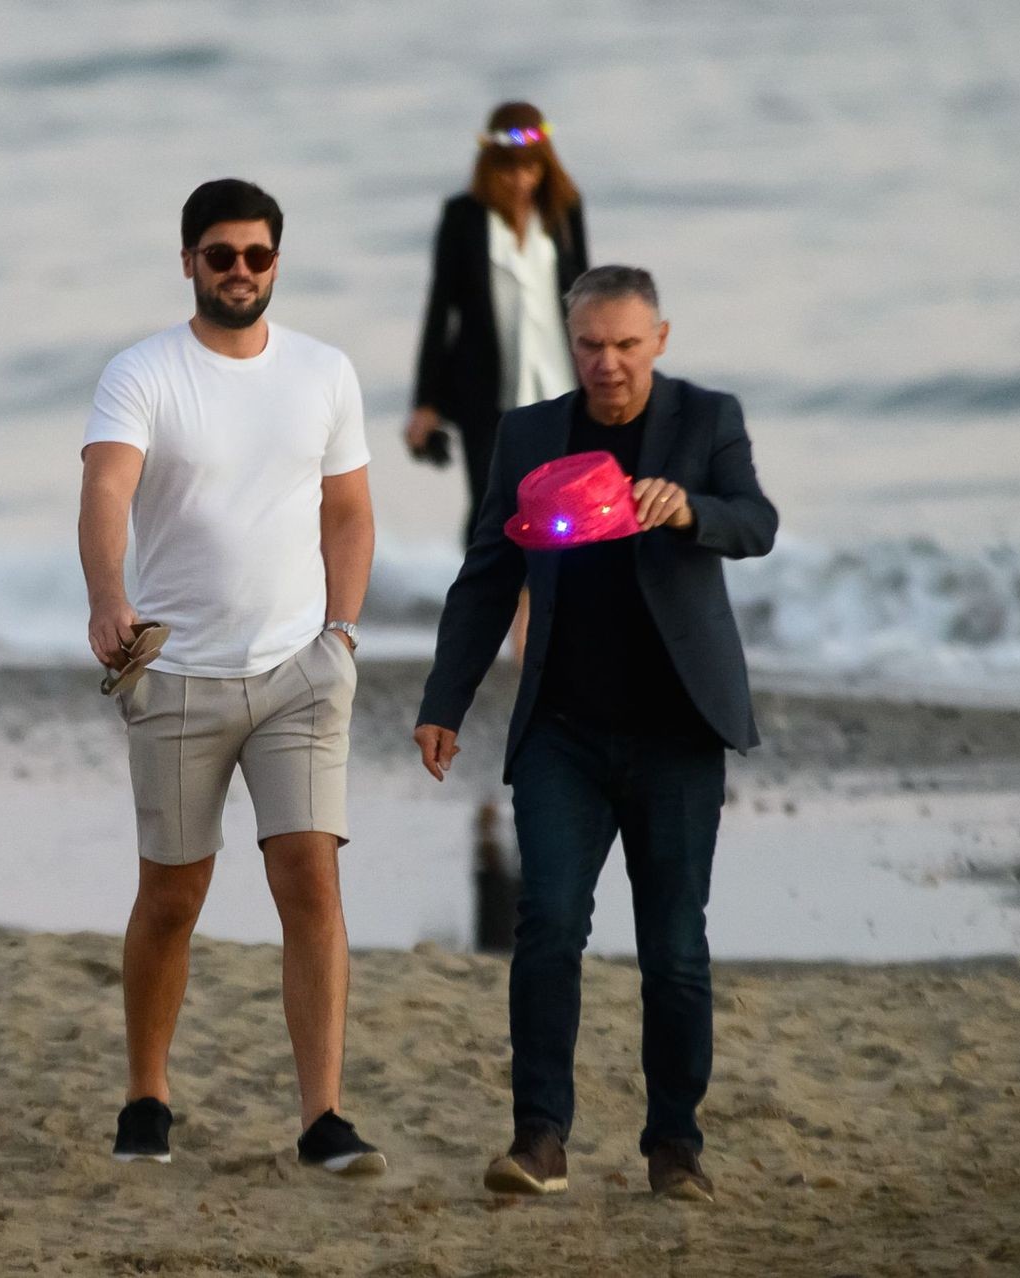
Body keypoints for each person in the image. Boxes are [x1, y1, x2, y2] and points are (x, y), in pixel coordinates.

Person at [412, 265, 777, 1200]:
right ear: (568, 344)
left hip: (678, 733)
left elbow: (757, 523)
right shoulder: (530, 434)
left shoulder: (707, 420)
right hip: (563, 734)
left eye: (625, 344)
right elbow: (488, 575)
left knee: (675, 948)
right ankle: (539, 1140)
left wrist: (689, 510)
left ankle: (675, 1148)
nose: (607, 362)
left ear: (660, 339)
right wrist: (444, 702)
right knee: (547, 925)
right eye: (589, 345)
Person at [79, 178, 386, 1175]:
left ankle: (323, 1116)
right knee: (174, 896)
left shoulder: (324, 371)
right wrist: (108, 597)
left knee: (311, 879)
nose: (241, 271)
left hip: (300, 671)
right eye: (222, 255)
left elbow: (349, 509)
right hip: (177, 673)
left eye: (257, 255)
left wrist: (342, 632)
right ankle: (146, 1096)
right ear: (189, 263)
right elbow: (107, 488)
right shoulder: (143, 372)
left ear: (277, 263)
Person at [406, 101, 590, 544]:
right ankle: (484, 587)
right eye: (509, 169)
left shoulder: (564, 210)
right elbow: (440, 309)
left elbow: (587, 293)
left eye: (531, 168)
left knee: (564, 502)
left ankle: (553, 586)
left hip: (560, 381)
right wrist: (426, 401)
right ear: (490, 165)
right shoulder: (463, 217)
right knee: (492, 506)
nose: (521, 179)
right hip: (486, 391)